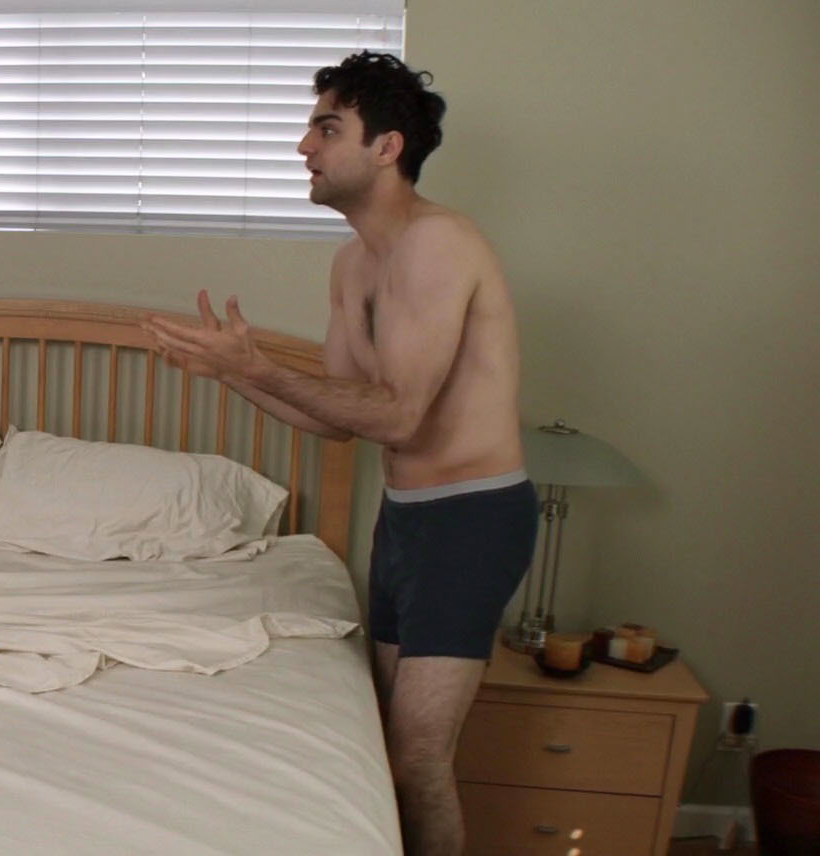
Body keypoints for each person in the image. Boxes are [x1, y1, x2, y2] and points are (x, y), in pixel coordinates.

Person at [142, 52, 535, 856]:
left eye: (327, 129)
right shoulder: (353, 262)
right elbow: (337, 420)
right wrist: (231, 374)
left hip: (473, 519)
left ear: (386, 147)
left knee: (420, 759)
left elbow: (400, 415)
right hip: (406, 521)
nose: (303, 147)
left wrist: (257, 366)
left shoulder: (439, 244)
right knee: (390, 750)